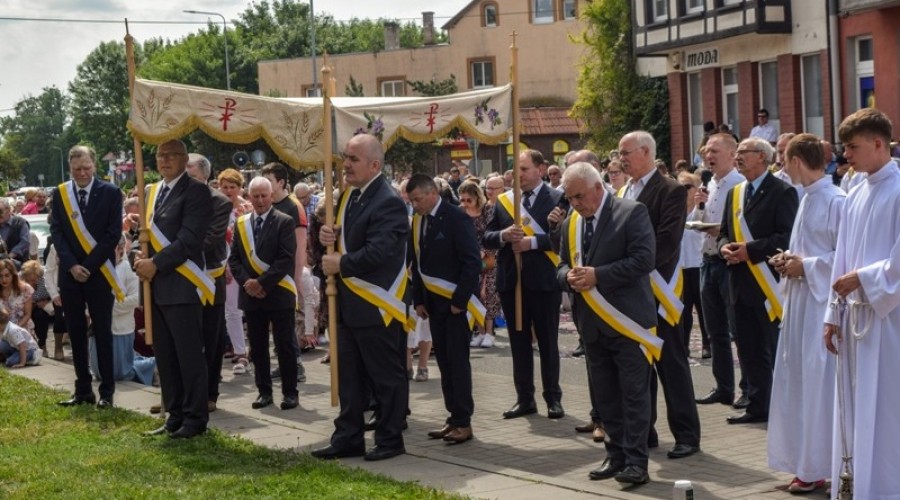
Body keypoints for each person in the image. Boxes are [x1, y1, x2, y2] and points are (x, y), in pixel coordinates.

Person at [556, 162, 657, 486]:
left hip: (627, 322)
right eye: (570, 198)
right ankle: (615, 456)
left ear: (598, 187)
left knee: (634, 395)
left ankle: (637, 462)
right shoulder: (572, 222)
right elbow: (560, 265)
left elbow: (643, 260)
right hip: (592, 325)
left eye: (579, 196)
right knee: (605, 396)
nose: (575, 204)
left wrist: (599, 275)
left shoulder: (631, 212)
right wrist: (567, 278)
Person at [312, 133, 411, 462]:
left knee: (384, 376)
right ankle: (348, 437)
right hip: (348, 303)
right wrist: (333, 234)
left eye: (353, 159)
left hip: (375, 303)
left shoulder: (388, 200)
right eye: (345, 158)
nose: (346, 164)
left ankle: (389, 438)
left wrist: (342, 262)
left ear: (375, 164)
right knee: (349, 376)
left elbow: (382, 250)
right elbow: (357, 236)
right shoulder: (349, 197)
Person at [824, 108, 900, 499]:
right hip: (855, 319)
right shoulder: (854, 194)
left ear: (877, 143)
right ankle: (859, 488)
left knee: (887, 411)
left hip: (890, 322)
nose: (845, 156)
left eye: (852, 147)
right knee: (854, 410)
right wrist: (830, 316)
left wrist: (865, 279)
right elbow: (841, 259)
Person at [765, 134, 844, 493]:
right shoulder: (808, 198)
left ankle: (818, 467)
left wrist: (806, 266)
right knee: (796, 382)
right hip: (799, 304)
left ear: (797, 160)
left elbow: (844, 259)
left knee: (817, 386)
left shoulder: (835, 200)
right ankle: (802, 460)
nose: (781, 164)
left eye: (783, 158)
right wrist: (788, 260)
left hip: (820, 307)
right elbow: (808, 250)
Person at [618, 130, 701, 459]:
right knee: (638, 365)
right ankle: (644, 429)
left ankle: (687, 434)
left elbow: (667, 241)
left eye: (626, 152)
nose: (621, 157)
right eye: (620, 153)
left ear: (645, 152)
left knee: (672, 364)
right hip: (631, 290)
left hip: (658, 287)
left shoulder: (671, 190)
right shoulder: (624, 189)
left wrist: (630, 265)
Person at [718, 137, 798, 424]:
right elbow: (724, 233)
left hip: (768, 285)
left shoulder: (782, 191)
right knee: (749, 349)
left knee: (773, 348)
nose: (737, 157)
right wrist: (724, 247)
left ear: (762, 157)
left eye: (743, 153)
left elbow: (786, 237)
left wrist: (749, 250)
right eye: (737, 153)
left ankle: (785, 406)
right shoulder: (735, 193)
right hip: (738, 284)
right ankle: (758, 404)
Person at [135, 139, 212, 439]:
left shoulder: (196, 191)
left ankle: (194, 418)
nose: (164, 160)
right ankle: (174, 415)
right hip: (157, 286)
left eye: (171, 156)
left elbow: (189, 239)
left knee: (188, 355)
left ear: (184, 159)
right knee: (165, 355)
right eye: (160, 156)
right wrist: (139, 258)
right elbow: (144, 235)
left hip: (182, 283)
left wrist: (155, 263)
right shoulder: (153, 192)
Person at [484, 149, 567, 420]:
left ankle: (553, 398)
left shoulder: (557, 198)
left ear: (540, 169)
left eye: (524, 169)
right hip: (512, 281)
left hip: (543, 281)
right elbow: (487, 236)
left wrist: (532, 242)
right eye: (516, 170)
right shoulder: (505, 201)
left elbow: (563, 239)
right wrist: (504, 235)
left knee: (547, 342)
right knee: (518, 344)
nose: (518, 175)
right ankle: (524, 398)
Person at [407, 174, 482, 445]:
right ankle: (453, 418)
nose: (414, 205)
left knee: (458, 363)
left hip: (455, 306)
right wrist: (419, 300)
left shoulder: (456, 217)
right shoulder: (418, 221)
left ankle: (464, 420)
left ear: (431, 194)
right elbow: (416, 262)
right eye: (411, 200)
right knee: (445, 364)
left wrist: (459, 301)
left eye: (417, 199)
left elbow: (472, 262)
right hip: (433, 304)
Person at [49, 145, 123, 409]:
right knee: (76, 331)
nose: (82, 173)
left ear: (95, 166)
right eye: (77, 168)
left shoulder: (112, 193)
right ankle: (82, 390)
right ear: (70, 168)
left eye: (87, 168)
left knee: (102, 331)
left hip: (99, 272)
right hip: (70, 274)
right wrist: (71, 265)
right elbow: (56, 232)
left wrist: (88, 266)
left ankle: (107, 392)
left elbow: (113, 234)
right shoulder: (60, 194)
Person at [229, 176, 299, 411]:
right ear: (249, 197)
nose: (259, 200)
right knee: (258, 347)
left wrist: (262, 283)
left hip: (278, 292)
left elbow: (285, 258)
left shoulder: (284, 221)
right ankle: (264, 392)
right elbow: (235, 259)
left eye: (263, 195)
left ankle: (290, 393)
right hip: (251, 295)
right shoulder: (241, 223)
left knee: (284, 345)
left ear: (271, 196)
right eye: (255, 196)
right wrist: (248, 282)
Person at [691, 134, 748, 408]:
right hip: (707, 259)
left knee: (738, 328)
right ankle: (723, 387)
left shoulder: (739, 184)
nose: (708, 156)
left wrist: (722, 230)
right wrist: (698, 206)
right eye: (705, 152)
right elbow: (697, 220)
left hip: (729, 262)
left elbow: (744, 226)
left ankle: (748, 387)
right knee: (714, 330)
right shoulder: (709, 184)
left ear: (731, 154)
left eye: (713, 151)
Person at [185, 153, 232, 412]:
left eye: (190, 174)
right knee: (184, 337)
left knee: (211, 339)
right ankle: (184, 393)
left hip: (210, 278)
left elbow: (212, 238)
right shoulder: (176, 197)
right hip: (182, 277)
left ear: (204, 175)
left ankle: (210, 393)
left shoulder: (219, 202)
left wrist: (178, 249)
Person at [260, 162, 311, 383]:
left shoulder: (293, 206)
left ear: (280, 183)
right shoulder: (267, 204)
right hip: (268, 274)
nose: (265, 186)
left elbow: (300, 245)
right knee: (274, 323)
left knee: (287, 322)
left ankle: (295, 364)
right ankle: (283, 362)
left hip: (286, 274)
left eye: (269, 181)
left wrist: (297, 276)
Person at [89, 233, 156, 385]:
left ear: (120, 249)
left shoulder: (126, 268)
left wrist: (108, 307)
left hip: (120, 328)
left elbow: (136, 298)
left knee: (120, 373)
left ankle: (152, 365)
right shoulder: (96, 267)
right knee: (99, 373)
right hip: (98, 327)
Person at [216, 168, 251, 374]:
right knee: (232, 311)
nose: (228, 190)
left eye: (233, 186)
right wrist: (225, 265)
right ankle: (240, 352)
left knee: (253, 309)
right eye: (225, 186)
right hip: (227, 265)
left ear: (240, 188)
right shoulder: (216, 209)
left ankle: (255, 348)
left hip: (248, 265)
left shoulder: (247, 209)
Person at [458, 181, 499, 348]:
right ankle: (480, 332)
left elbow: (491, 233)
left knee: (488, 294)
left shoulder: (487, 210)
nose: (465, 203)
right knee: (473, 295)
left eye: (469, 200)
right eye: (463, 200)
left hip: (488, 257)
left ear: (477, 198)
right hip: (469, 259)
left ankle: (489, 333)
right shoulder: (460, 212)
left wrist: (483, 250)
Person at [677, 172, 708, 357]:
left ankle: (707, 343)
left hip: (698, 263)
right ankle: (684, 344)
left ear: (697, 189)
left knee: (703, 308)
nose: (683, 190)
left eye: (687, 186)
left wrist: (699, 205)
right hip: (681, 265)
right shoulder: (675, 210)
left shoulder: (701, 209)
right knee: (684, 308)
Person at [19, 260, 50, 357]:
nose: (30, 283)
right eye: (27, 280)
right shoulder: (19, 280)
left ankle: (42, 344)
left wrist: (47, 301)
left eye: (33, 280)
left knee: (41, 317)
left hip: (40, 306)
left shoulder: (44, 280)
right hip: (23, 307)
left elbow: (53, 293)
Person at [0, 303, 41, 368]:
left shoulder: (13, 330)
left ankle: (32, 358)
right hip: (16, 348)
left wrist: (22, 363)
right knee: (2, 344)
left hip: (29, 350)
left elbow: (22, 346)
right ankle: (14, 357)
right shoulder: (3, 329)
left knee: (10, 362)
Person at [0, 258, 33, 329]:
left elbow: (27, 314)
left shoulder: (25, 289)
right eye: (0, 276)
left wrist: (15, 329)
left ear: (13, 275)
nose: (4, 279)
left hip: (22, 329)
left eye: (7, 275)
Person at [0, 198, 31, 266]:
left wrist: (10, 256)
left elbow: (25, 242)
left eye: (0, 211)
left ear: (8, 210)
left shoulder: (20, 222)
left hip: (18, 265)